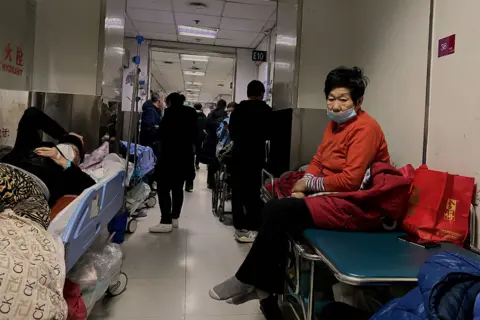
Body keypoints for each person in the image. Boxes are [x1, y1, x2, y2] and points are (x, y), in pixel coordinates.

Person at [209, 67, 391, 305]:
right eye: (331, 99)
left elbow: (351, 181)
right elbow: (318, 160)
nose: (335, 106)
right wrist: (301, 187)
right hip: (332, 196)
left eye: (343, 100)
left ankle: (250, 280)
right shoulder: (334, 126)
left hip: (356, 205)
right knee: (274, 207)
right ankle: (265, 286)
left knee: (278, 211)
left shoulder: (366, 128)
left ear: (358, 102)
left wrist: (309, 183)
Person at [1, 107, 96, 229]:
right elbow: (32, 114)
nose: (71, 151)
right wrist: (64, 134)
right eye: (68, 145)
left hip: (34, 191)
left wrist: (63, 162)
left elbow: (91, 188)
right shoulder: (30, 145)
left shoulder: (67, 173)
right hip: (7, 172)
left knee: (27, 227)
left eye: (76, 151)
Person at [229, 81, 272, 243]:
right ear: (262, 94)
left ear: (247, 93)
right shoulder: (267, 111)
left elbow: (232, 133)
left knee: (238, 189)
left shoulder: (238, 110)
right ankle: (253, 223)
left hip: (239, 153)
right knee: (254, 190)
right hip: (257, 154)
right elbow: (269, 134)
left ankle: (239, 224)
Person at [149, 93, 198, 233]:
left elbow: (161, 134)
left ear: (169, 102)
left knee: (163, 188)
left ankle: (165, 220)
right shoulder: (190, 115)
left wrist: (154, 133)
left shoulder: (170, 114)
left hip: (169, 157)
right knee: (178, 188)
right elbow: (196, 136)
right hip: (185, 157)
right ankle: (175, 218)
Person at [203, 99, 228, 188]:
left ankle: (210, 182)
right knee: (220, 162)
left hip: (210, 140)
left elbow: (205, 126)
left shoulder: (211, 114)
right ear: (225, 106)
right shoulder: (225, 115)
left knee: (211, 163)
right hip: (221, 141)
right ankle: (220, 182)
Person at [185, 103, 207, 192]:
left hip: (186, 143)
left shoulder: (188, 116)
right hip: (199, 137)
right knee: (197, 153)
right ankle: (196, 164)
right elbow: (205, 127)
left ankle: (179, 182)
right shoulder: (203, 116)